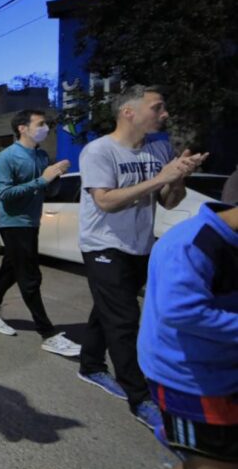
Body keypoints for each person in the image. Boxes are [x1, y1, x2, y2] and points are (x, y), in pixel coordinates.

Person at [76, 85, 207, 429]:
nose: (165, 114)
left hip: (140, 245)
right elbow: (105, 201)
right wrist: (161, 177)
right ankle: (141, 398)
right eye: (157, 107)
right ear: (128, 112)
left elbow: (169, 201)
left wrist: (177, 178)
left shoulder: (159, 148)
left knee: (107, 308)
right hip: (103, 245)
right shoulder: (98, 151)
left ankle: (90, 365)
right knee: (124, 320)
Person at [138, 197, 237, 469]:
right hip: (186, 376)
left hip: (222, 366)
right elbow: (182, 312)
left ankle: (181, 437)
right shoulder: (191, 244)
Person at [0, 110, 81, 357]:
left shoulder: (41, 155)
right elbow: (5, 194)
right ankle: (47, 334)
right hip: (14, 223)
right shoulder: (6, 157)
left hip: (32, 221)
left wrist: (55, 176)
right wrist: (42, 180)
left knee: (10, 269)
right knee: (30, 276)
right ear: (22, 128)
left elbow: (49, 191)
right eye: (40, 124)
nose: (45, 128)